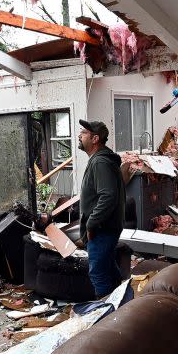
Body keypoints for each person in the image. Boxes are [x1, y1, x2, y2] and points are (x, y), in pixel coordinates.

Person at [76, 119, 126, 297]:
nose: (79, 136)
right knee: (109, 270)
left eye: (84, 133)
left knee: (98, 273)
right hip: (105, 227)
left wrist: (91, 224)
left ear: (95, 138)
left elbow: (108, 196)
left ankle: (107, 317)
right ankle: (122, 306)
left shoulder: (100, 163)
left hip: (102, 229)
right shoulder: (99, 160)